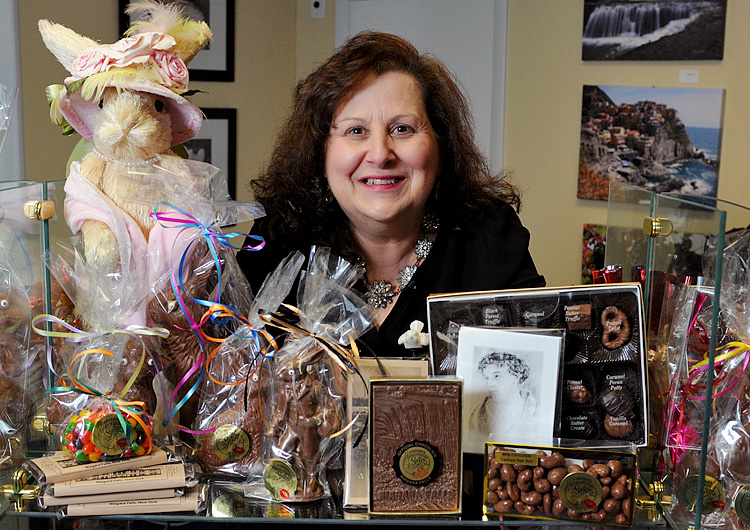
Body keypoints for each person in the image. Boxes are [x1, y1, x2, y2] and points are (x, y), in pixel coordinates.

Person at [237, 31, 545, 359]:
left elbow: (537, 374)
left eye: (403, 129)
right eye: (356, 131)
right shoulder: (278, 237)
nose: (380, 154)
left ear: (440, 148)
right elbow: (229, 379)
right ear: (321, 152)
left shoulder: (489, 236)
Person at [469, 351, 538, 435]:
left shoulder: (536, 411)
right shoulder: (477, 414)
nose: (489, 384)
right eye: (486, 378)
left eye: (496, 376)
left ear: (516, 377)